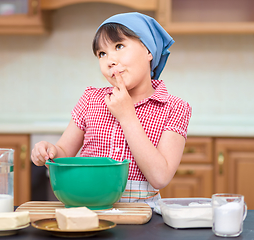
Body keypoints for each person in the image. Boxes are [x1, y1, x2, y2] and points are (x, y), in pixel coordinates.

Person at [31, 12, 192, 208]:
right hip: (89, 210)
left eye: (119, 46)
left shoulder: (174, 108)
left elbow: (160, 177)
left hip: (141, 215)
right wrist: (49, 151)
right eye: (102, 54)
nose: (110, 60)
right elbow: (64, 151)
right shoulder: (91, 99)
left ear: (149, 50)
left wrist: (127, 116)